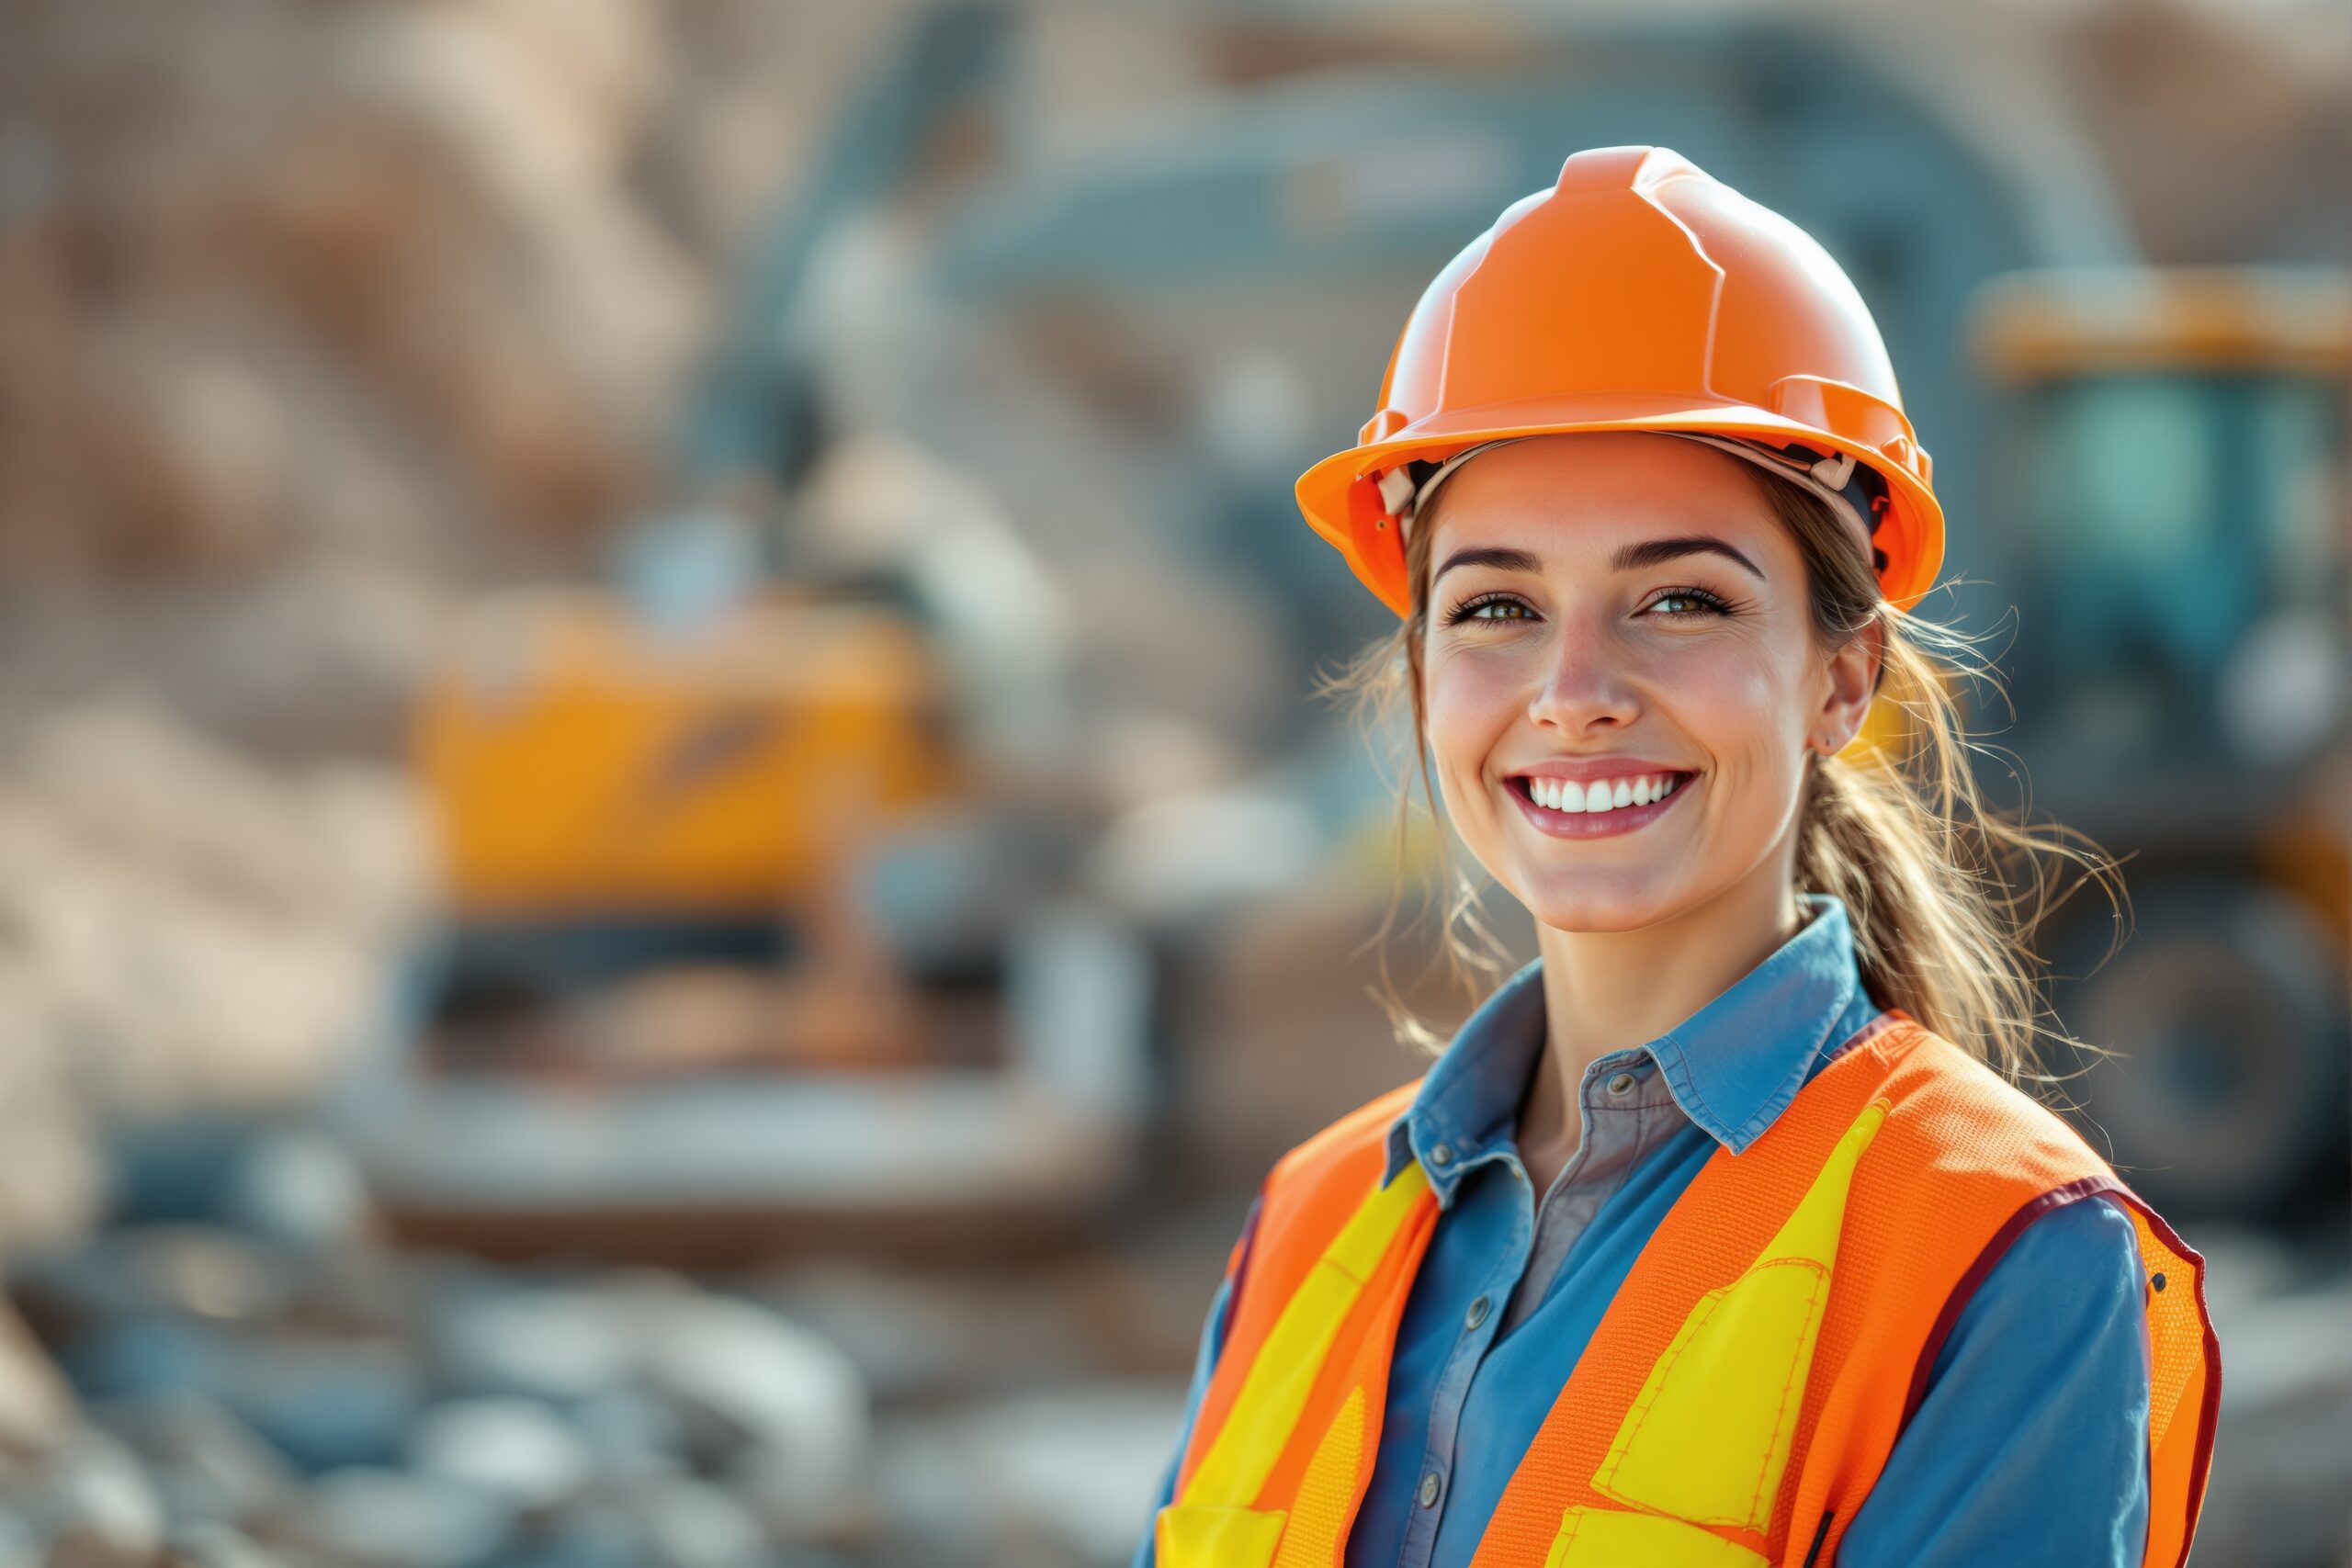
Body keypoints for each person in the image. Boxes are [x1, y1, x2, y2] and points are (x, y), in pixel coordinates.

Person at [1132, 147, 2220, 1568]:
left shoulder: (1997, 1255)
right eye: (1497, 607)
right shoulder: (1308, 1225)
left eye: (1680, 600)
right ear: (1419, 675)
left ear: (1843, 678)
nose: (1574, 691)